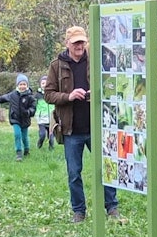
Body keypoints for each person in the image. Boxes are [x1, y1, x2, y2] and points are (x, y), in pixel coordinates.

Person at [45, 25, 118, 223]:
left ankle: (111, 206)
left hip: (97, 127)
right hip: (71, 130)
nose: (79, 46)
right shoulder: (56, 65)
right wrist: (68, 96)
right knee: (74, 172)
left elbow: (111, 85)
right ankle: (79, 210)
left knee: (106, 167)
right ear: (67, 43)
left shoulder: (96, 62)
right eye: (76, 42)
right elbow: (48, 94)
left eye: (82, 42)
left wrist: (98, 94)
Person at [0, 73, 36, 160]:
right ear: (17, 85)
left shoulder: (30, 96)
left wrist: (28, 112)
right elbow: (3, 98)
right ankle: (19, 152)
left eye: (24, 84)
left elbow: (33, 108)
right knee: (17, 135)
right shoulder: (13, 95)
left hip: (25, 119)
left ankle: (26, 149)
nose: (22, 86)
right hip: (15, 118)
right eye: (20, 84)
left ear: (27, 85)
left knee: (24, 137)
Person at [34, 75, 54, 149]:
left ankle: (51, 149)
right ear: (40, 84)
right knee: (42, 135)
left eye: (46, 83)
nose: (44, 85)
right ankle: (39, 145)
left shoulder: (52, 93)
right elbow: (34, 105)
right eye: (43, 83)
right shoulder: (37, 95)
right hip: (41, 119)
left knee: (51, 136)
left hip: (51, 118)